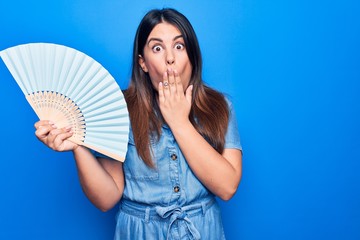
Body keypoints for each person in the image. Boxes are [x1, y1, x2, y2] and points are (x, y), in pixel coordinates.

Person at [34, 8, 242, 240]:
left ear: (192, 57)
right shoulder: (118, 109)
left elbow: (227, 187)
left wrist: (178, 121)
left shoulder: (220, 106)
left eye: (179, 46)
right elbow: (106, 199)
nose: (170, 58)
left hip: (204, 230)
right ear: (143, 63)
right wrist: (77, 145)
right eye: (157, 48)